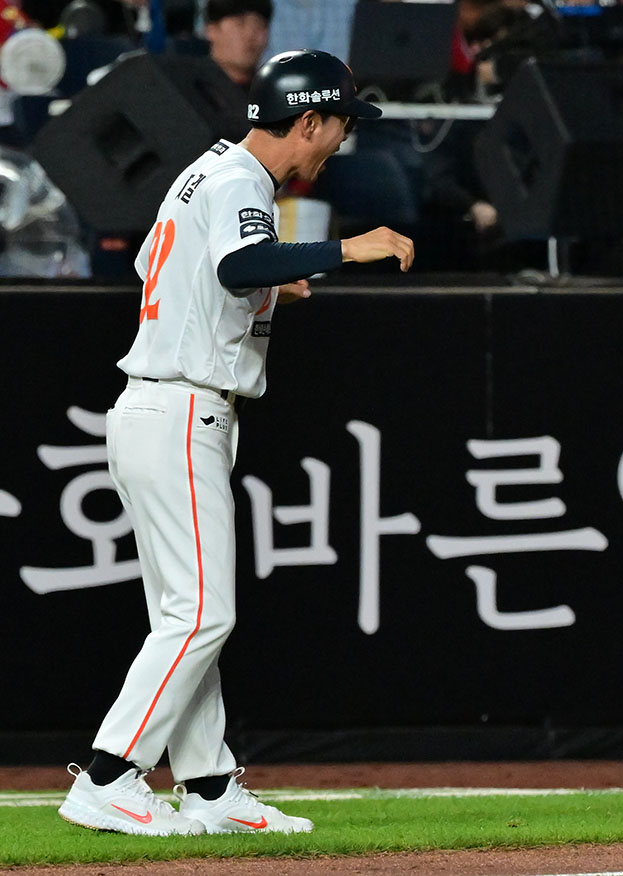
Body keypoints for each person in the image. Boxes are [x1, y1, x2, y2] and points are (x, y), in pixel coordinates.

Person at [57, 48, 414, 837]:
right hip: (181, 410)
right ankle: (109, 776)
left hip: (159, 409)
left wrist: (264, 278)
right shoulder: (240, 181)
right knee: (201, 615)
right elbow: (238, 262)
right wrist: (342, 249)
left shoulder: (206, 172)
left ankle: (210, 786)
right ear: (309, 120)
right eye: (341, 125)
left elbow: (163, 261)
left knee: (185, 616)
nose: (341, 141)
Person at [204, 0, 272, 89]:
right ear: (211, 30)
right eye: (240, 23)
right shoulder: (189, 86)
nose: (250, 34)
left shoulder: (272, 91)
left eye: (260, 24)